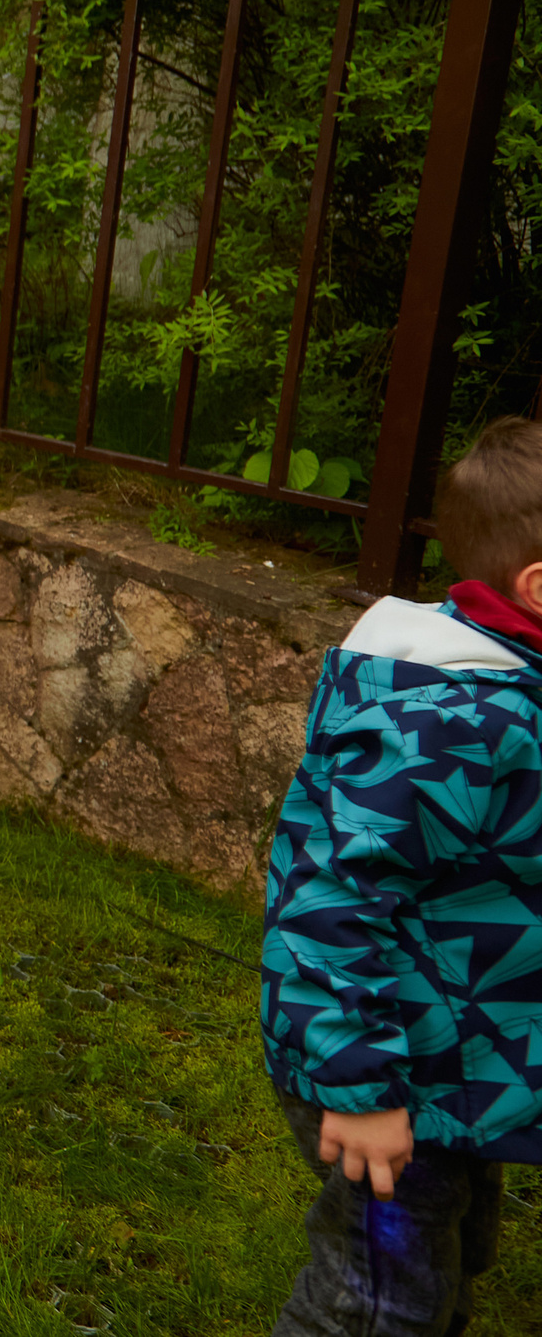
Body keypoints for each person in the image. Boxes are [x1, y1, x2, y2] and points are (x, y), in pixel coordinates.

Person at [259, 415, 542, 1336]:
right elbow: (324, 906)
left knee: (447, 1263)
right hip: (390, 1074)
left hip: (463, 1064)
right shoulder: (448, 723)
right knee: (377, 1300)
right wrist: (364, 1092)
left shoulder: (515, 683)